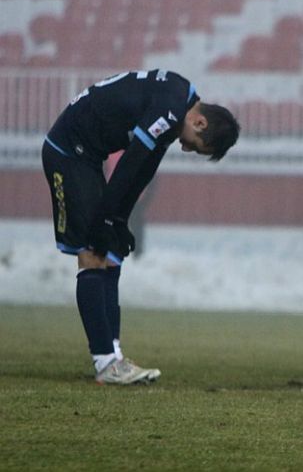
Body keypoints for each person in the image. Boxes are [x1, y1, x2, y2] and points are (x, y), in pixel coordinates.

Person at [41, 69, 240, 385]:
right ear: (199, 122)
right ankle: (105, 363)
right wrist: (106, 217)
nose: (187, 150)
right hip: (67, 153)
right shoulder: (171, 108)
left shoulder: (177, 104)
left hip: (87, 157)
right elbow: (131, 161)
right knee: (93, 252)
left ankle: (114, 356)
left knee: (112, 249)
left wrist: (119, 219)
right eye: (195, 146)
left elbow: (145, 168)